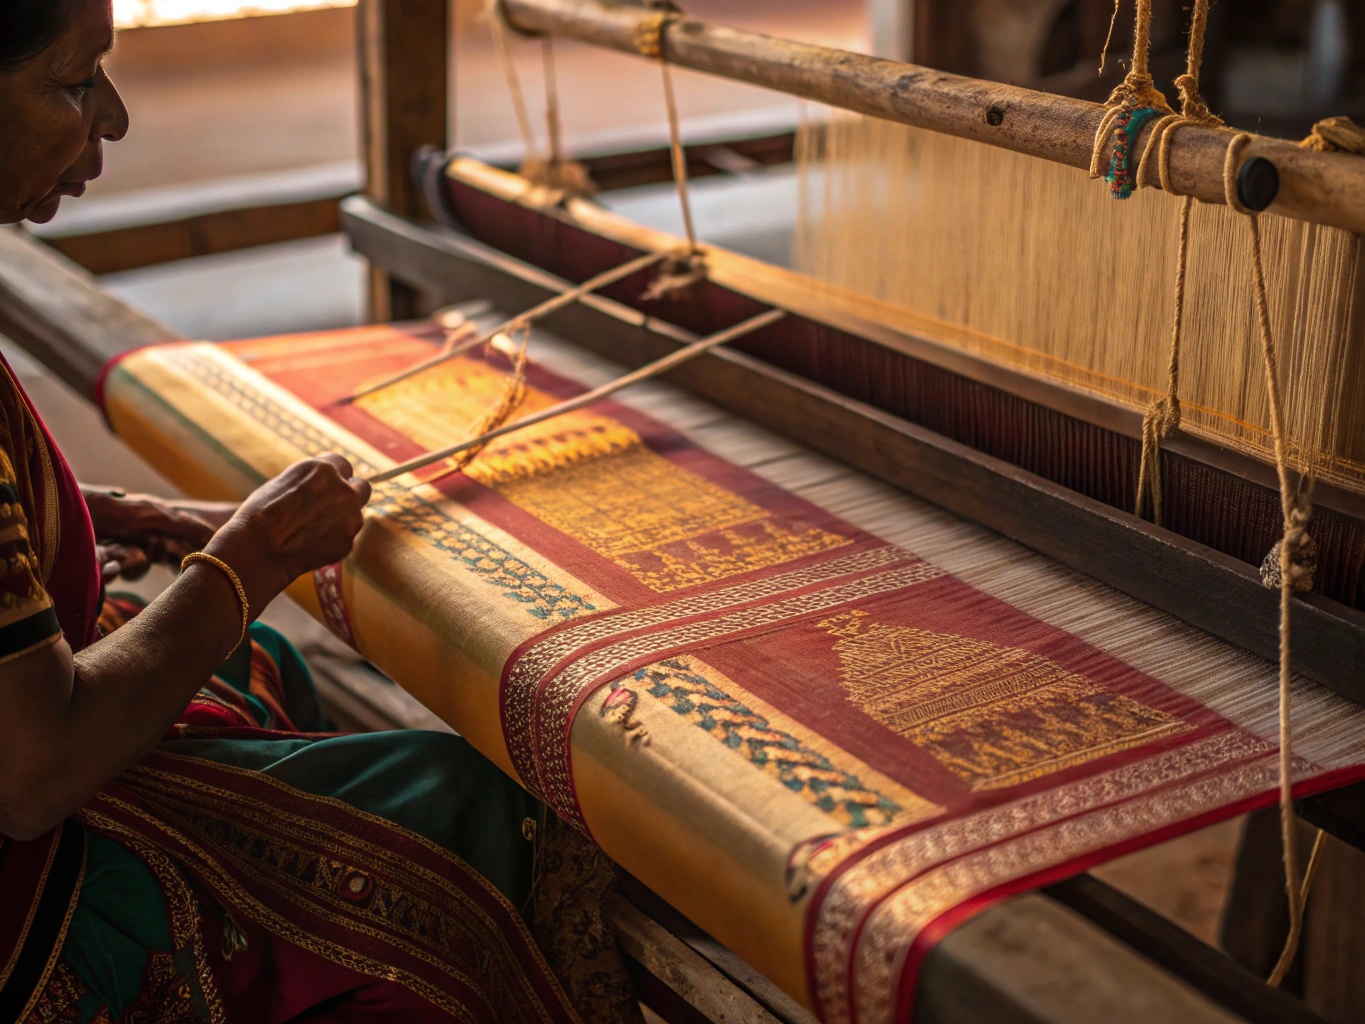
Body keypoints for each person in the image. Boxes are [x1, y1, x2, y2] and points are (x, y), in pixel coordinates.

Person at [0, 2, 579, 1021]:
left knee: (269, 660)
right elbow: (34, 772)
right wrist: (248, 560)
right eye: (76, 82)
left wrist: (92, 511)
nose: (116, 118)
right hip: (23, 907)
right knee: (454, 802)